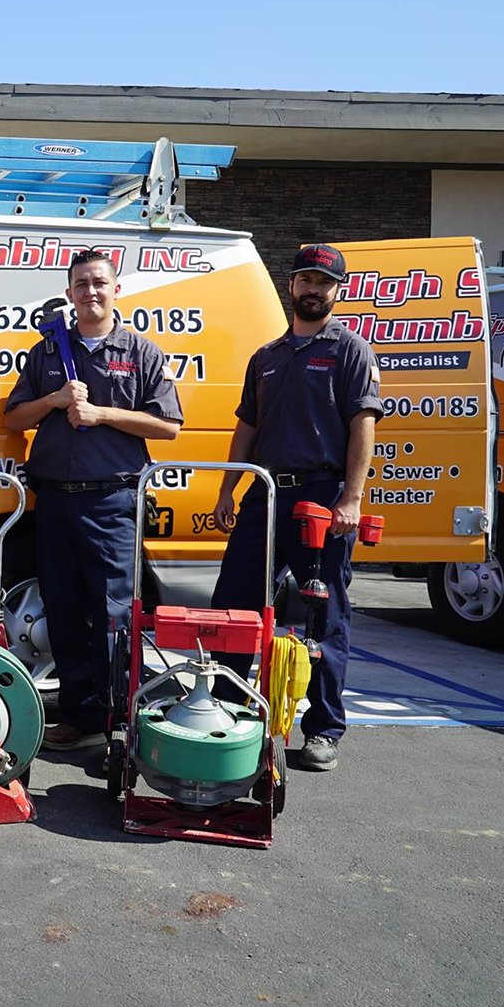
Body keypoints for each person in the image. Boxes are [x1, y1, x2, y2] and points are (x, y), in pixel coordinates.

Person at [209, 243, 380, 773]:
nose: (313, 289)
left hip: (322, 499)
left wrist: (351, 497)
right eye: (305, 279)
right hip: (263, 494)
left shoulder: (350, 350)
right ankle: (226, 708)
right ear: (291, 286)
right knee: (233, 604)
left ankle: (324, 729)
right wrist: (226, 490)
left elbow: (363, 425)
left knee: (323, 614)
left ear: (337, 291)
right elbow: (247, 427)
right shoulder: (267, 357)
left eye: (323, 283)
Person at [3, 249, 183, 751]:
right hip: (56, 501)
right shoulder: (46, 352)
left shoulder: (141, 353)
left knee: (114, 615)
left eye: (99, 282)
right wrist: (54, 401)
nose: (91, 291)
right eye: (81, 284)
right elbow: (15, 418)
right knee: (62, 608)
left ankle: (119, 720)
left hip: (112, 501)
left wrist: (102, 414)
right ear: (70, 293)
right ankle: (81, 715)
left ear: (116, 289)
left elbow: (168, 425)